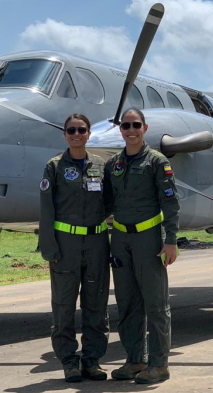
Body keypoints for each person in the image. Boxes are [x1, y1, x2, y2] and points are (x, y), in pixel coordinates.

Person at [104, 108, 180, 384]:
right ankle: (136, 359)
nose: (131, 129)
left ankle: (159, 364)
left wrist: (170, 241)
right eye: (126, 125)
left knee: (156, 304)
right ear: (120, 129)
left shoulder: (157, 162)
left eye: (136, 125)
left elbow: (170, 203)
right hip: (121, 240)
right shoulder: (114, 164)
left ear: (145, 128)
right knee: (127, 304)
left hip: (149, 239)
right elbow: (107, 203)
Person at [38, 113, 110, 383]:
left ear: (89, 133)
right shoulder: (54, 167)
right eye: (71, 130)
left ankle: (92, 361)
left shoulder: (101, 166)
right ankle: (69, 362)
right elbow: (46, 210)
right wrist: (49, 248)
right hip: (65, 246)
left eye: (81, 130)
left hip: (96, 244)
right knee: (64, 307)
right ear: (65, 134)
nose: (76, 134)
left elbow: (110, 202)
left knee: (96, 305)